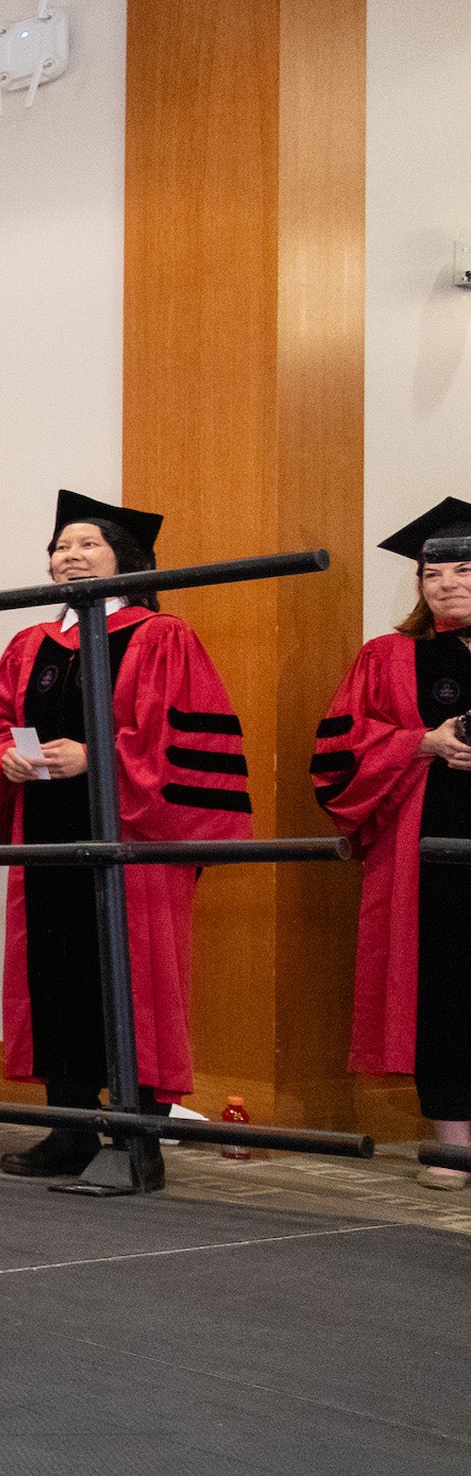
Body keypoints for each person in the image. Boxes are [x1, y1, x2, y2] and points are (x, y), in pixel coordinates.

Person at [0, 492, 250, 1188]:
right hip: (46, 842)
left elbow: (181, 744)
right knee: (56, 977)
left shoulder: (162, 637)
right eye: (61, 545)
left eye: (88, 543)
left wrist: (98, 757)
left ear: (127, 560)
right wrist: (5, 753)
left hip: (135, 840)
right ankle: (68, 1127)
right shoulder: (29, 645)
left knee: (134, 980)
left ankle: (140, 1133)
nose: (70, 555)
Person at [314, 498, 471, 1190]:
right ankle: (453, 1142)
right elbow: (336, 756)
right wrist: (421, 742)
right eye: (433, 574)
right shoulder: (387, 658)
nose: (448, 583)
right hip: (427, 853)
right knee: (443, 989)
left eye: (466, 571)